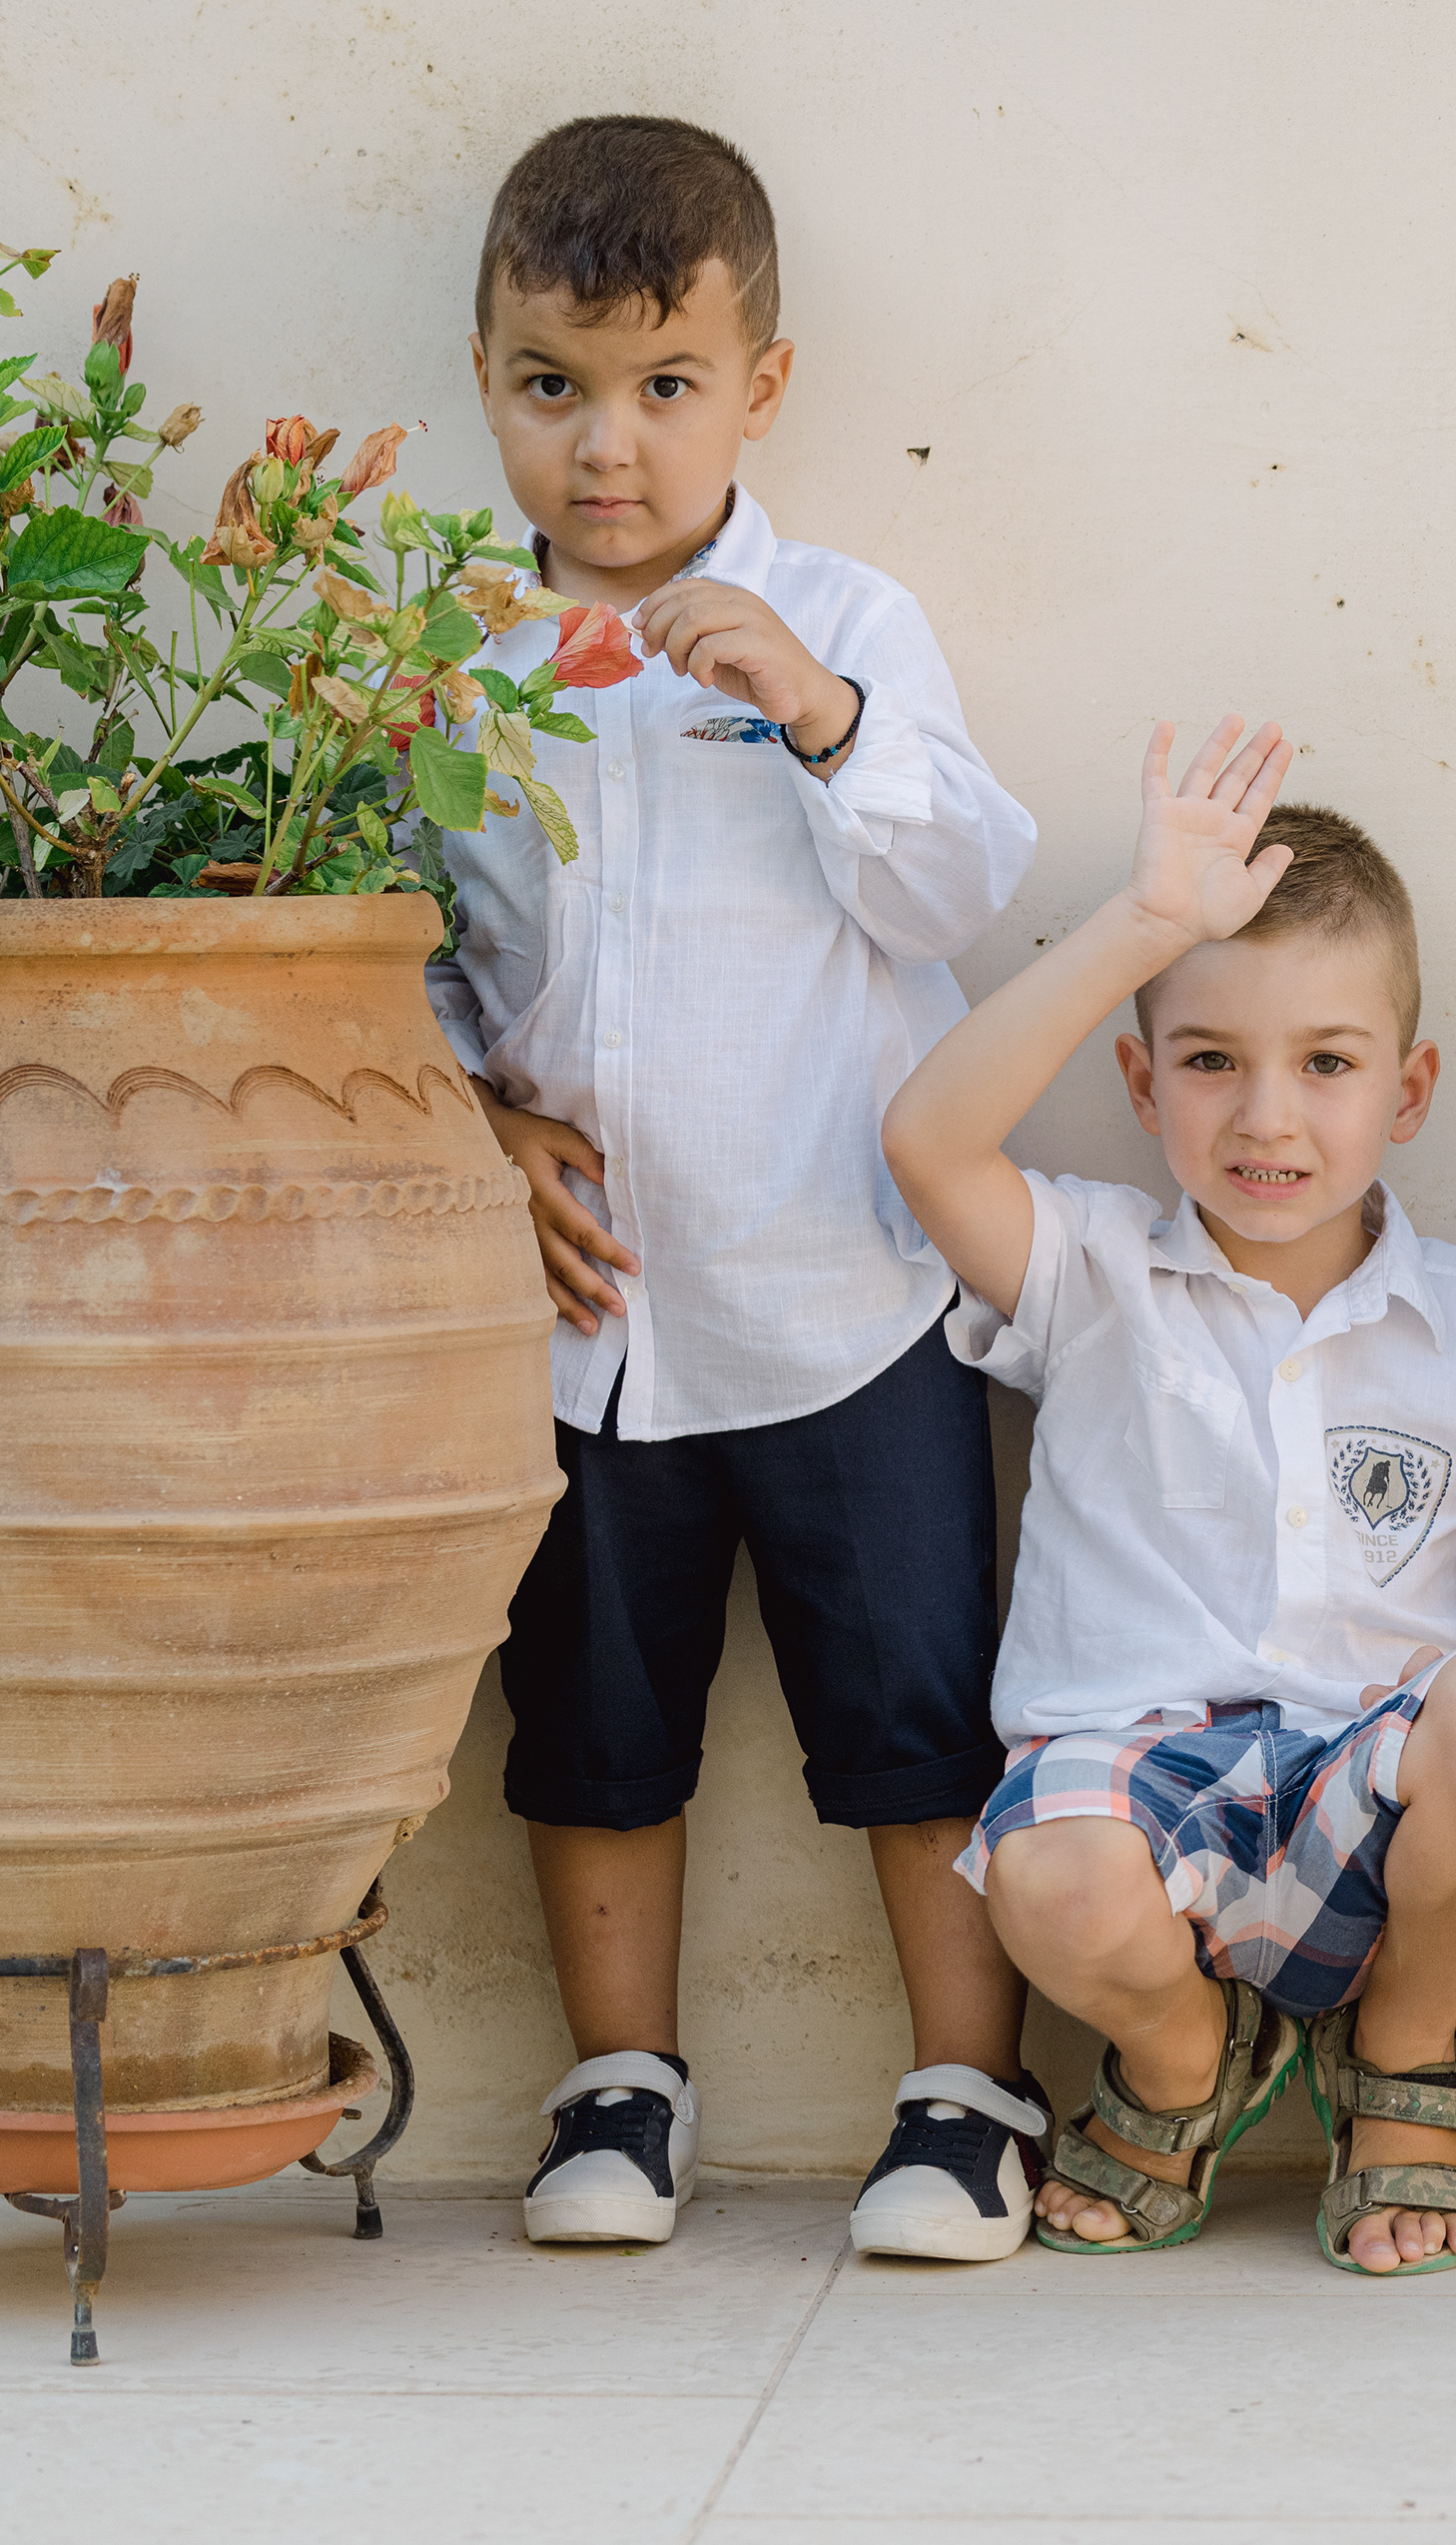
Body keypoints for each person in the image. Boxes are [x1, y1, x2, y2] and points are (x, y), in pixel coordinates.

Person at [436, 115, 1046, 2261]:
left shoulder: (843, 616)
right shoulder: (444, 654)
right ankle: (620, 2083)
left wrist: (821, 713)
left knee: (912, 1704)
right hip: (585, 1312)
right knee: (592, 1716)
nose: (607, 445)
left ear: (758, 386)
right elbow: (409, 941)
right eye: (552, 386)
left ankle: (968, 2089)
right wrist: (475, 1117)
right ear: (488, 377)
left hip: (834, 1291)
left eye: (664, 386)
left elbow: (958, 888)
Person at [883, 722, 1456, 2275]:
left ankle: (1401, 2048)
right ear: (1142, 1080)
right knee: (1046, 1871)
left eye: (1327, 1064)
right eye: (1212, 1060)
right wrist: (1146, 924)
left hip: (1379, 1780)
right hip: (1137, 1780)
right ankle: (1182, 2062)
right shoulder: (1091, 1275)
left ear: (1409, 1088)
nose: (1268, 1117)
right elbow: (928, 1141)